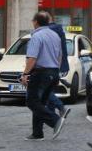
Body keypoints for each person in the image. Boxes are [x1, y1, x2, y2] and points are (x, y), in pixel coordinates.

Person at [21, 11, 66, 140]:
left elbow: (32, 58)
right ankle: (37, 133)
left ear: (36, 22)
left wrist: (25, 74)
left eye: (33, 20)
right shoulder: (55, 35)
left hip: (41, 72)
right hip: (53, 71)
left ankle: (55, 121)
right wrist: (56, 72)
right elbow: (60, 56)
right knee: (40, 103)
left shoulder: (37, 36)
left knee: (32, 102)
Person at [46, 13, 70, 118]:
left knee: (44, 90)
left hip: (50, 65)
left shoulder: (49, 30)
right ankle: (51, 116)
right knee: (50, 90)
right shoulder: (58, 30)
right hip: (57, 65)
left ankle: (61, 107)